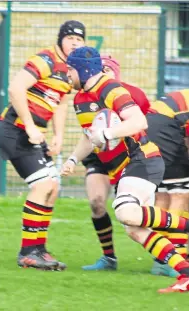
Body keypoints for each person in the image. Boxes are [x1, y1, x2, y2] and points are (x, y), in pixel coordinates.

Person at [62, 46, 189, 293]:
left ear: (82, 69)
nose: (66, 74)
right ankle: (185, 275)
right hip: (124, 168)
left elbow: (139, 121)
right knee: (135, 230)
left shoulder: (111, 89)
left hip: (142, 158)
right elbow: (90, 137)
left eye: (69, 69)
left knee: (125, 211)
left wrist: (107, 133)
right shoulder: (80, 99)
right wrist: (72, 159)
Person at [0, 20, 85, 270]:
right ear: (60, 40)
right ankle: (27, 252)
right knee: (44, 184)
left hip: (34, 134)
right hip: (14, 130)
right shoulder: (45, 59)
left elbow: (62, 102)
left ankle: (38, 249)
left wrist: (58, 135)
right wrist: (31, 126)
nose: (74, 43)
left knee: (53, 188)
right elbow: (15, 88)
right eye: (70, 39)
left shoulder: (71, 68)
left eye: (79, 40)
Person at [80, 55, 152, 272]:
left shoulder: (133, 94)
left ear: (115, 74)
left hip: (130, 156)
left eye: (107, 70)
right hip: (99, 156)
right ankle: (108, 258)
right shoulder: (85, 97)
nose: (102, 75)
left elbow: (145, 125)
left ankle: (163, 259)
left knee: (140, 213)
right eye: (98, 70)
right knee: (96, 203)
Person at [146, 89, 189, 276]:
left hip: (152, 125)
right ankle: (177, 257)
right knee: (181, 193)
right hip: (165, 127)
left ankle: (161, 260)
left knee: (163, 194)